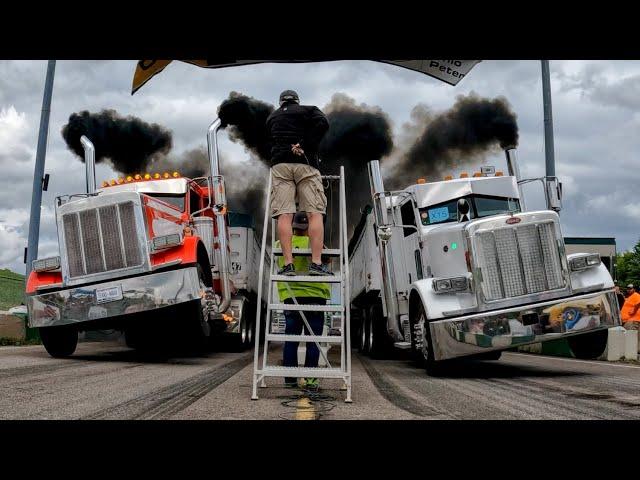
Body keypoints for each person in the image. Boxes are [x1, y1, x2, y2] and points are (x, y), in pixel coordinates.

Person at [266, 89, 332, 276]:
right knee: (315, 213)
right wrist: (303, 144)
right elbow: (323, 123)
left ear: (281, 102)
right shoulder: (309, 110)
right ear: (297, 100)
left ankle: (288, 264)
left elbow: (270, 139)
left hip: (280, 165)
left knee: (284, 215)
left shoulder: (272, 117)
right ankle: (317, 263)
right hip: (305, 164)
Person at [275, 211, 331, 390]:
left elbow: (279, 262)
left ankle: (290, 379)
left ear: (293, 227)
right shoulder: (316, 243)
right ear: (309, 228)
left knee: (291, 339)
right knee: (313, 340)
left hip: (291, 297)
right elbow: (328, 260)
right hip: (316, 298)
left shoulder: (280, 244)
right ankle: (311, 379)